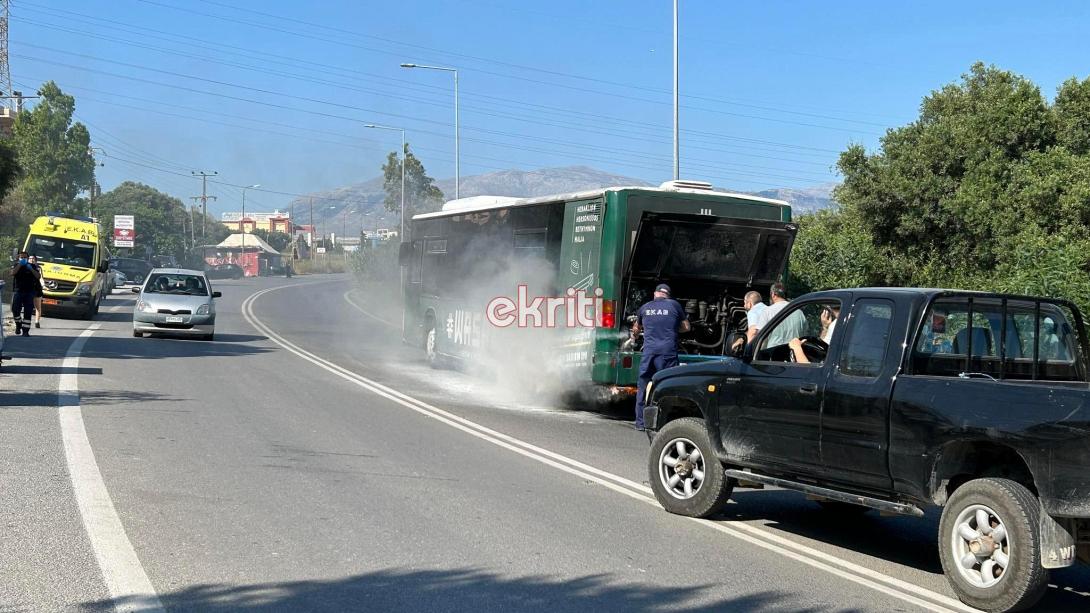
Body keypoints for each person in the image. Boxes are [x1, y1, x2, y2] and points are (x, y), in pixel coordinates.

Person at [631, 283, 691, 431]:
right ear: (667, 295)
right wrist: (673, 328)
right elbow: (686, 327)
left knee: (643, 386)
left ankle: (640, 423)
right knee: (667, 386)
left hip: (649, 353)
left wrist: (636, 335)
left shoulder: (645, 308)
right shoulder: (674, 305)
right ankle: (663, 423)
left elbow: (636, 328)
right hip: (667, 353)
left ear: (655, 294)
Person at [753, 283, 806, 348]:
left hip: (773, 352)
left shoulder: (767, 311)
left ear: (773, 294)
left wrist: (761, 352)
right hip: (794, 352)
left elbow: (762, 338)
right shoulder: (799, 312)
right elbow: (804, 335)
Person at [10, 251, 38, 337]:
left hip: (29, 292)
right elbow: (12, 273)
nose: (23, 259)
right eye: (21, 257)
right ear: (19, 258)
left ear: (28, 258)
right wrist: (20, 265)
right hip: (18, 291)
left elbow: (38, 276)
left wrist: (31, 269)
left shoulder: (32, 266)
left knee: (28, 312)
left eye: (25, 257)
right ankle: (18, 325)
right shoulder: (16, 265)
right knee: (15, 310)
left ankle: (25, 331)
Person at [28, 254, 44, 328]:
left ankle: (37, 321)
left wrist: (43, 285)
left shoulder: (38, 268)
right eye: (30, 258)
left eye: (33, 258)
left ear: (36, 260)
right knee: (28, 306)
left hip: (37, 289)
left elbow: (41, 278)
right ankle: (27, 320)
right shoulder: (25, 267)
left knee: (38, 307)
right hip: (28, 289)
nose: (31, 260)